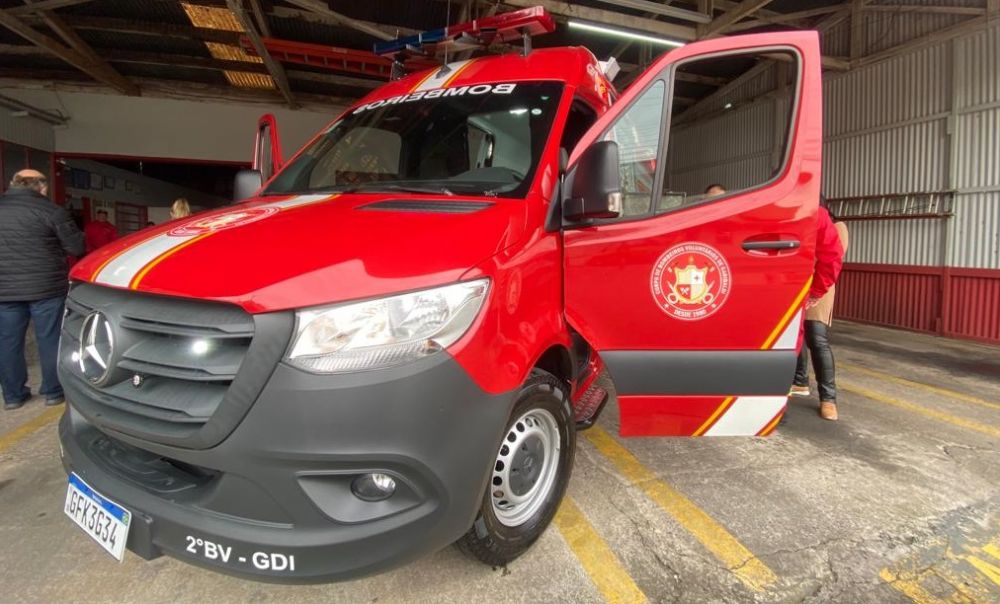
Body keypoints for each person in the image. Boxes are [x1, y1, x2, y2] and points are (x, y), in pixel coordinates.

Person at [0, 169, 85, 410]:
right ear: (42, 187)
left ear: (12, 184)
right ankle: (53, 391)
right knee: (49, 340)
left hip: (4, 290)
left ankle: (13, 396)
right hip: (46, 289)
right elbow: (76, 246)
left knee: (7, 342)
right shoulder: (51, 211)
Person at [791, 196, 848, 421]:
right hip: (796, 285)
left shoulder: (832, 224)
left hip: (818, 287)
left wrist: (816, 290)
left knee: (817, 337)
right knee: (795, 334)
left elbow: (833, 257)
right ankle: (800, 381)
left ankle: (828, 398)